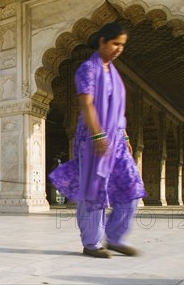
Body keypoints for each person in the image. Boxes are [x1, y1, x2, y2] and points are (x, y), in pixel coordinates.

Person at [49, 22, 147, 258]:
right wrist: (98, 134)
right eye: (115, 43)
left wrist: (124, 135)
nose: (118, 49)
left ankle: (114, 237)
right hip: (93, 139)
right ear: (102, 41)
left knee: (131, 186)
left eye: (122, 45)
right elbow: (87, 104)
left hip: (117, 139)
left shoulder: (112, 72)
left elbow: (116, 109)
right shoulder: (88, 69)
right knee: (94, 190)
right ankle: (91, 243)